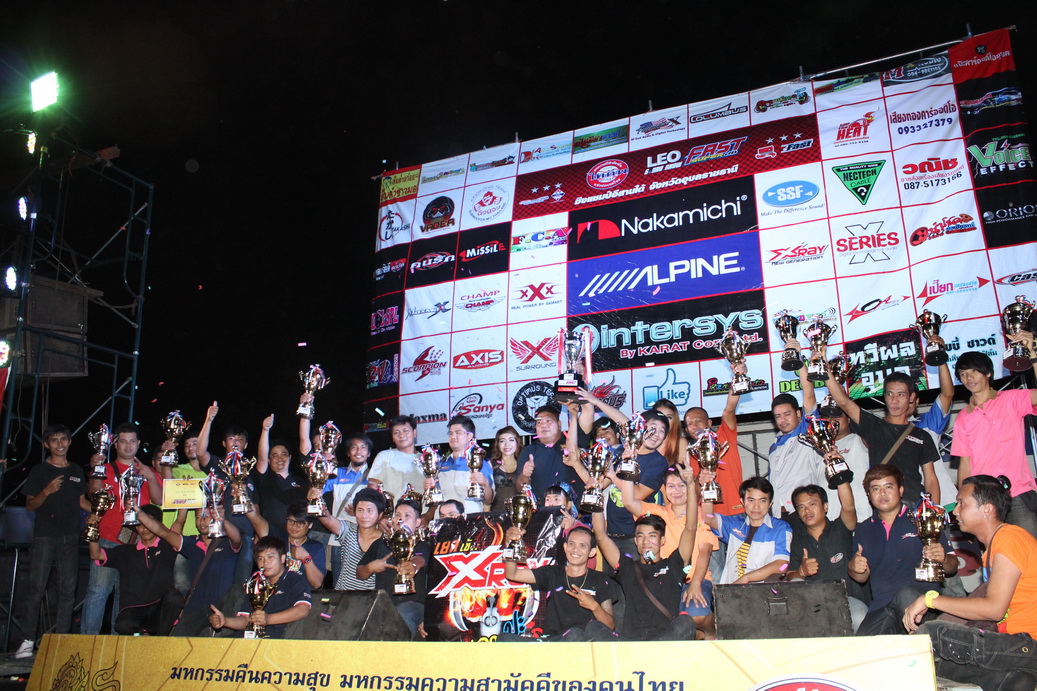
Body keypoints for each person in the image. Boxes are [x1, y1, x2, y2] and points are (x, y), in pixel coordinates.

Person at [904, 475, 1037, 690]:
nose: (955, 511)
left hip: (1028, 644)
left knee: (934, 635)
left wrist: (929, 600)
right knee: (936, 660)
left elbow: (994, 609)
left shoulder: (1009, 538)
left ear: (987, 509)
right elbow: (980, 604)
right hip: (1015, 647)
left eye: (961, 503)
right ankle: (1014, 682)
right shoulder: (993, 548)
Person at [591, 465, 702, 641]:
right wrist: (595, 492)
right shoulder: (628, 567)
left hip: (664, 640)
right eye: (641, 536)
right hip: (632, 642)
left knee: (686, 622)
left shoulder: (673, 565)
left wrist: (690, 485)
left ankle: (654, 650)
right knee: (594, 627)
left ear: (662, 540)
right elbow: (601, 537)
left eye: (652, 536)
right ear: (635, 541)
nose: (646, 541)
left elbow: (690, 528)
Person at [611, 465, 718, 637]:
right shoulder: (657, 513)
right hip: (663, 581)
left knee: (697, 616)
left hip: (693, 578)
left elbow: (705, 552)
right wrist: (628, 463)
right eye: (671, 486)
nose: (677, 491)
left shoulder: (702, 515)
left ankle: (711, 633)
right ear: (664, 489)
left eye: (682, 485)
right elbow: (629, 502)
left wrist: (696, 583)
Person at [851, 466, 957, 636]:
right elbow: (861, 577)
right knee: (863, 646)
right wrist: (854, 568)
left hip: (922, 602)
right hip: (882, 606)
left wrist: (943, 558)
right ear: (869, 495)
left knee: (906, 595)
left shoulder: (923, 518)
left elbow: (952, 567)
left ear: (901, 490)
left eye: (888, 487)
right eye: (876, 489)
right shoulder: (863, 529)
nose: (882, 493)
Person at [81, 422, 163, 635]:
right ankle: (87, 643)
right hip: (108, 538)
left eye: (132, 441)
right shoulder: (105, 469)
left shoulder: (146, 471)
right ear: (115, 444)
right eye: (123, 441)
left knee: (126, 597)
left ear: (138, 443)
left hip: (136, 542)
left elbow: (159, 500)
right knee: (98, 591)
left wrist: (150, 476)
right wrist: (96, 470)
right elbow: (93, 494)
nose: (128, 446)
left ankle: (117, 645)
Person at [15, 425, 89, 658]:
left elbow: (83, 502)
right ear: (47, 444)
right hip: (45, 536)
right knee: (36, 588)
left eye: (63, 439)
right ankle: (27, 640)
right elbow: (30, 505)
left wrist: (102, 511)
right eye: (54, 440)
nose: (59, 444)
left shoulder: (76, 470)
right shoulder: (40, 470)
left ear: (69, 441)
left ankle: (61, 640)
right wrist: (46, 491)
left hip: (70, 536)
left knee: (68, 590)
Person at [951, 345, 1037, 538]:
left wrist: (1033, 358)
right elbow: (965, 464)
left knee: (1028, 550)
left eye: (974, 371)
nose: (969, 378)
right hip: (983, 501)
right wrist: (963, 501)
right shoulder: (963, 417)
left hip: (1017, 493)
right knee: (994, 553)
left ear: (988, 373)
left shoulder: (1011, 399)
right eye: (963, 374)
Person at [823, 366, 941, 504]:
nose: (894, 400)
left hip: (914, 506)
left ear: (911, 397)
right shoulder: (873, 425)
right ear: (884, 396)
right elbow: (843, 402)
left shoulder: (922, 436)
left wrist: (934, 509)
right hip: (882, 504)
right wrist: (823, 364)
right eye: (889, 394)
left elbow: (931, 479)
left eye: (901, 394)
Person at [565, 409, 670, 559]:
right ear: (640, 428)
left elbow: (638, 494)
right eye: (652, 427)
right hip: (611, 532)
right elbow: (598, 485)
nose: (656, 433)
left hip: (634, 534)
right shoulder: (621, 452)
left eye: (662, 431)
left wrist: (614, 477)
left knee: (633, 574)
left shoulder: (658, 462)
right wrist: (576, 464)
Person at [502, 525, 618, 641]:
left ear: (592, 552)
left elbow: (610, 625)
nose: (575, 549)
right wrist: (511, 545)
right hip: (552, 642)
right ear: (565, 547)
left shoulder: (600, 579)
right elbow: (512, 574)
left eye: (582, 546)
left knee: (574, 634)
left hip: (581, 643)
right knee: (504, 638)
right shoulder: (552, 573)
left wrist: (594, 606)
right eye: (571, 544)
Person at [86, 504, 184, 635]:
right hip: (134, 610)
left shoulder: (167, 546)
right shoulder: (126, 551)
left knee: (174, 597)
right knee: (122, 625)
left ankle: (161, 639)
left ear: (157, 525)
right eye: (140, 525)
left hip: (158, 610)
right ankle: (137, 638)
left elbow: (180, 520)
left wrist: (185, 496)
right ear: (136, 527)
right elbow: (96, 555)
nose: (144, 529)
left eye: (148, 524)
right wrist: (93, 528)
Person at [787, 483, 868, 631]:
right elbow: (790, 576)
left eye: (812, 504)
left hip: (847, 599)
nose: (807, 511)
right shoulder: (798, 539)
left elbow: (848, 507)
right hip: (815, 603)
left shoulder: (840, 528)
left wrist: (839, 478)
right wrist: (801, 572)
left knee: (859, 616)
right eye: (801, 507)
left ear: (825, 506)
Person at [195, 401, 256, 584]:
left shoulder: (250, 469)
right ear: (223, 443)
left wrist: (258, 534)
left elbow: (257, 504)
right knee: (218, 581)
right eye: (231, 439)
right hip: (220, 532)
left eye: (239, 440)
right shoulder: (217, 465)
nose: (235, 443)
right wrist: (209, 420)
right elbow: (200, 452)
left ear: (246, 444)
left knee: (241, 583)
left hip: (246, 534)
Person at [208, 536, 312, 639]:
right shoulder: (255, 583)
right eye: (260, 559)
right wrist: (225, 621)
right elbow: (247, 619)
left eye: (270, 557)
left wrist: (269, 619)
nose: (265, 563)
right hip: (245, 638)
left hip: (274, 640)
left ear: (282, 558)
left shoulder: (295, 580)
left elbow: (302, 610)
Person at [357, 498, 431, 636]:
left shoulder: (422, 545)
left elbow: (420, 559)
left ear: (417, 522)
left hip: (414, 604)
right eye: (398, 515)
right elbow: (360, 573)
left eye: (407, 516)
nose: (401, 519)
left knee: (401, 617)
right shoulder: (381, 544)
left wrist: (412, 566)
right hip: (383, 603)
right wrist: (370, 568)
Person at [702, 476, 792, 584]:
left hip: (763, 591)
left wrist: (746, 578)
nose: (756, 506)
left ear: (770, 503)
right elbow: (708, 518)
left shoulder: (780, 528)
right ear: (742, 502)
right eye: (751, 500)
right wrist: (707, 487)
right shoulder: (736, 524)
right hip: (731, 590)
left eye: (762, 501)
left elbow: (783, 565)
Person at [682, 366, 747, 514]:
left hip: (736, 512)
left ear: (709, 423)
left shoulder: (724, 436)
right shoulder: (691, 455)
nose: (694, 426)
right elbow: (694, 493)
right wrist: (700, 478)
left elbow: (729, 409)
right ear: (686, 430)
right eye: (690, 424)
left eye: (699, 421)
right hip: (708, 516)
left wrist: (739, 376)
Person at [170, 507, 243, 637]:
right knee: (175, 644)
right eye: (198, 518)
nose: (202, 521)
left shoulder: (226, 541)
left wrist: (223, 520)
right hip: (195, 610)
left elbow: (237, 539)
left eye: (206, 517)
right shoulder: (192, 542)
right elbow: (166, 534)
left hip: (220, 609)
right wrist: (181, 515)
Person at [767, 355, 819, 516]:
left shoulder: (807, 432)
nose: (782, 420)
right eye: (778, 416)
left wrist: (797, 359)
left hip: (803, 511)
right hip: (777, 514)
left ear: (798, 413)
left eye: (787, 414)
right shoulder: (774, 447)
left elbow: (809, 393)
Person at [319, 432, 373, 582]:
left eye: (363, 447)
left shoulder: (375, 476)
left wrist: (360, 512)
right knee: (339, 584)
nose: (358, 451)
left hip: (366, 539)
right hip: (339, 539)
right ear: (348, 453)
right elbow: (317, 490)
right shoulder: (336, 473)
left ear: (368, 453)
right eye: (354, 447)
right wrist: (321, 464)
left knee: (365, 584)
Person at [312, 486, 384, 590]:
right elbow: (327, 519)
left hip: (371, 597)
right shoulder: (348, 530)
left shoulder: (386, 541)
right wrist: (316, 500)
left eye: (369, 511)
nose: (364, 516)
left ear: (380, 515)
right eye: (360, 510)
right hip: (343, 595)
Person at [252, 414, 308, 543]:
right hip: (270, 538)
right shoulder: (265, 478)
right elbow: (261, 457)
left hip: (296, 538)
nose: (280, 458)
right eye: (274, 455)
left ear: (290, 457)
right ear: (269, 460)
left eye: (284, 454)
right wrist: (265, 430)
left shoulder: (301, 482)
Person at [248, 501, 327, 589]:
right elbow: (255, 519)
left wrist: (305, 558)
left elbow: (317, 584)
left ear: (310, 525)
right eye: (291, 521)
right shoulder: (277, 538)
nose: (294, 526)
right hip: (276, 592)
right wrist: (242, 498)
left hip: (302, 593)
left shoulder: (315, 547)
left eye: (300, 523)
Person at [813, 408, 871, 524]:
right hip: (829, 521)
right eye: (827, 417)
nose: (831, 420)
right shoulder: (817, 448)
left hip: (860, 518)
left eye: (837, 416)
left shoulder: (858, 440)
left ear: (849, 419)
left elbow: (870, 428)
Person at [518, 405, 580, 503]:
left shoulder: (571, 446)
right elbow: (519, 488)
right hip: (541, 510)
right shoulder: (529, 451)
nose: (544, 425)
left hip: (571, 510)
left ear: (559, 424)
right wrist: (525, 475)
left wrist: (574, 415)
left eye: (548, 421)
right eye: (539, 422)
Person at [431, 415, 494, 512]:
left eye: (458, 433)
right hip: (444, 518)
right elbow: (435, 500)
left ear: (469, 436)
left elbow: (489, 500)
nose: (453, 437)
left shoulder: (480, 463)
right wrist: (430, 487)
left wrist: (485, 483)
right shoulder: (440, 464)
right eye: (450, 433)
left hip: (470, 518)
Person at [367, 415, 426, 503]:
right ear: (392, 437)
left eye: (405, 431)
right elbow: (373, 488)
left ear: (414, 433)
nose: (401, 435)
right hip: (393, 511)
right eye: (396, 432)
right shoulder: (384, 456)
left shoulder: (427, 459)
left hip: (422, 511)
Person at [489, 426, 524, 512]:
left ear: (517, 442)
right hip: (496, 513)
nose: (507, 444)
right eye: (502, 441)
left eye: (511, 440)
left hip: (520, 513)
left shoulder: (524, 463)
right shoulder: (491, 464)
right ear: (498, 444)